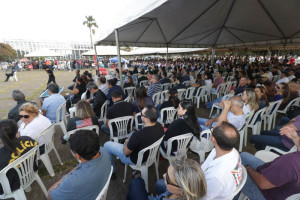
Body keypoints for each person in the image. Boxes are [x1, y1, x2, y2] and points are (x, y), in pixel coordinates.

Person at [238, 123, 300, 200]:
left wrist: (248, 168)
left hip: (266, 194)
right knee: (244, 156)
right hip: (275, 180)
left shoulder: (290, 163)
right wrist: (295, 138)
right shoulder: (292, 162)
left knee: (232, 172)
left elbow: (262, 184)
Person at [48, 130, 111, 200]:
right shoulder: (103, 151)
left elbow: (50, 195)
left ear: (77, 156)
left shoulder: (73, 182)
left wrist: (62, 180)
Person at [104, 105, 163, 177]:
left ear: (147, 119)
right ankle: (127, 141)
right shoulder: (160, 127)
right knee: (132, 133)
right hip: (150, 155)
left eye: (141, 114)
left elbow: (126, 152)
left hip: (135, 159)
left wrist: (127, 142)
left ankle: (112, 172)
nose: (140, 116)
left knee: (106, 145)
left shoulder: (138, 135)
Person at [127, 158, 207, 200]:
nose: (164, 175)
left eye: (168, 178)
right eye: (167, 173)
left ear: (182, 191)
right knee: (158, 183)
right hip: (160, 197)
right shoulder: (179, 193)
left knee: (136, 183)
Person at [200, 121, 242, 199]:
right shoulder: (233, 152)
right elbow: (206, 165)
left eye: (212, 130)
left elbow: (202, 197)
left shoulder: (216, 177)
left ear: (213, 139)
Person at [0, 119, 38, 195]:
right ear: (17, 130)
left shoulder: (2, 155)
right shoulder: (27, 139)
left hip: (11, 185)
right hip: (31, 171)